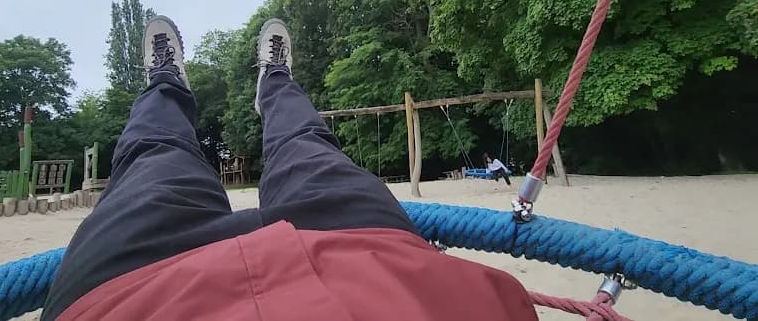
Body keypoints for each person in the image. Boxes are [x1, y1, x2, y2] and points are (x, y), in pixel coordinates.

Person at [42, 16, 537, 321]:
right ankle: (275, 81)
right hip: (368, 254)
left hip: (130, 286)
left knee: (153, 156)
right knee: (308, 145)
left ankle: (165, 86)